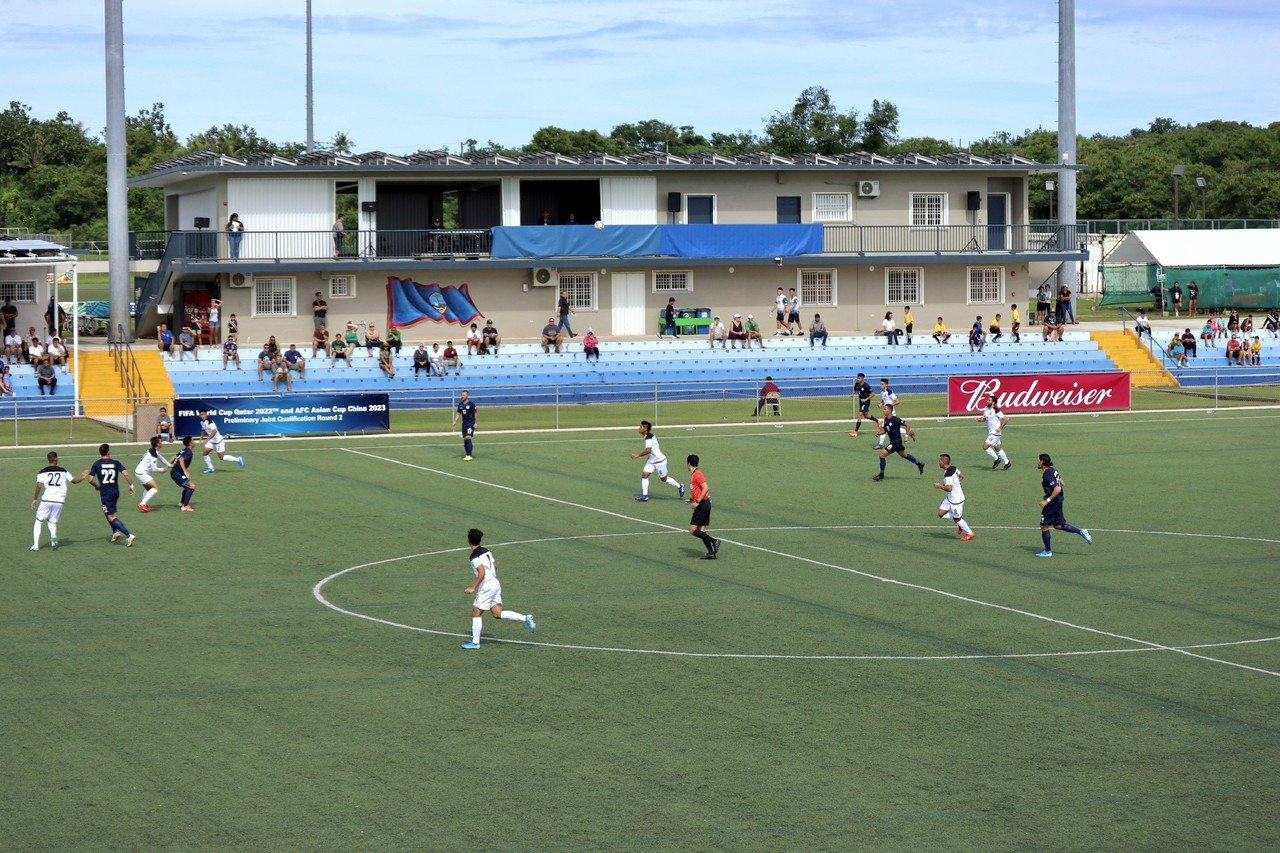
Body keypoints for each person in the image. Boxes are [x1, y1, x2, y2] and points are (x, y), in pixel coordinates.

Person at [459, 528, 536, 650]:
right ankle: (525, 618)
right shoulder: (486, 551)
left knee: (476, 612)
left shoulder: (474, 557)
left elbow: (482, 572)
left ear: (469, 541)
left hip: (487, 586)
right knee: (497, 613)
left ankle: (475, 642)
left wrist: (473, 587)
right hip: (495, 582)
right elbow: (495, 566)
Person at [1036, 453, 1092, 557]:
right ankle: (1081, 531)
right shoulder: (1052, 469)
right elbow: (1062, 483)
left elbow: (1058, 488)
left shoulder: (1047, 474)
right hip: (1058, 501)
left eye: (1038, 460)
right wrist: (1048, 494)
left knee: (1044, 526)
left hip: (1052, 503)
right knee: (1058, 525)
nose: (1037, 462)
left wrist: (1047, 500)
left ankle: (1048, 551)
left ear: (1042, 462)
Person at [30, 451, 86, 551]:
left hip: (46, 499)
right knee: (52, 521)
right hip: (60, 501)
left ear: (49, 460)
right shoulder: (63, 471)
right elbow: (74, 481)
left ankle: (35, 545)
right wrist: (82, 477)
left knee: (38, 521)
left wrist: (35, 499)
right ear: (55, 459)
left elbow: (39, 485)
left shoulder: (42, 472)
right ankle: (53, 536)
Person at [87, 443, 137, 546]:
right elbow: (126, 474)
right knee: (107, 513)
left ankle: (129, 535)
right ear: (108, 452)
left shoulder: (96, 464)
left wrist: (97, 486)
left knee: (110, 516)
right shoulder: (116, 463)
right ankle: (115, 533)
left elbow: (90, 479)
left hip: (106, 493)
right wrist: (131, 485)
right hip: (115, 492)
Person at [630, 420, 684, 501]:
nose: (639, 428)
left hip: (660, 461)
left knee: (664, 479)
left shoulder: (648, 438)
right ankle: (645, 496)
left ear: (645, 429)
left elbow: (648, 450)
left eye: (641, 427)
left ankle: (679, 486)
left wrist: (637, 455)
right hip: (651, 461)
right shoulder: (647, 436)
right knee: (644, 475)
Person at [872, 404, 924, 481]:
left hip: (896, 443)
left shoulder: (895, 419)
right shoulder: (886, 420)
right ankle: (919, 464)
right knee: (905, 455)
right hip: (896, 443)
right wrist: (879, 433)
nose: (883, 410)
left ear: (889, 410)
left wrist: (906, 435)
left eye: (885, 409)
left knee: (882, 455)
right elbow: (884, 430)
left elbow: (907, 424)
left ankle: (881, 475)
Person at [684, 454, 719, 559]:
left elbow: (705, 488)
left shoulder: (697, 474)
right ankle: (711, 552)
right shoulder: (694, 475)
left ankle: (715, 541)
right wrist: (691, 500)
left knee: (692, 529)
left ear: (689, 464)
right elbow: (698, 491)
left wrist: (697, 502)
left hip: (703, 504)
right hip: (704, 504)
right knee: (701, 530)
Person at [933, 453, 975, 541]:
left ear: (944, 462)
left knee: (957, 518)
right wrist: (956, 483)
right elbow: (961, 476)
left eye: (939, 461)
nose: (938, 462)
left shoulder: (948, 473)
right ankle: (960, 524)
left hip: (956, 500)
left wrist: (939, 486)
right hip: (950, 497)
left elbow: (949, 488)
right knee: (941, 513)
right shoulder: (953, 468)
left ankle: (970, 533)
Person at [133, 436, 169, 512]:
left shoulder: (153, 451)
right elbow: (154, 469)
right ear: (157, 444)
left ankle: (144, 504)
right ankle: (142, 504)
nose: (162, 443)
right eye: (160, 442)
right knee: (155, 488)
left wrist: (169, 465)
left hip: (139, 471)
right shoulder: (153, 454)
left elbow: (161, 458)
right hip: (142, 473)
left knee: (148, 489)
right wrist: (162, 469)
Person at [979, 394, 1011, 469]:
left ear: (993, 402)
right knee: (998, 448)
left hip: (995, 433)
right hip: (991, 432)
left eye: (989, 400)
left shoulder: (996, 410)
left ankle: (996, 459)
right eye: (988, 399)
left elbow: (1005, 419)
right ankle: (1007, 463)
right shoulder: (986, 408)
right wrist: (979, 420)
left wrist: (1000, 428)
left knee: (985, 447)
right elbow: (985, 418)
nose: (987, 401)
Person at [170, 435, 198, 511]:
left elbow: (174, 456)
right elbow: (181, 459)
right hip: (177, 473)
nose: (194, 442)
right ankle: (185, 506)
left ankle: (182, 502)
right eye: (193, 440)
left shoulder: (184, 450)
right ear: (190, 443)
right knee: (192, 486)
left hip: (175, 472)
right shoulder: (188, 451)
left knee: (187, 487)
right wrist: (185, 471)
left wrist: (169, 466)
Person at [849, 372, 876, 437]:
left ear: (863, 378)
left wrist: (865, 399)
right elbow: (855, 389)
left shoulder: (866, 386)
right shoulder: (857, 384)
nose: (858, 379)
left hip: (866, 403)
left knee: (859, 414)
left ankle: (856, 431)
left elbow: (873, 394)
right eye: (857, 378)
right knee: (866, 416)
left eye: (859, 378)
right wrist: (853, 394)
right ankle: (877, 421)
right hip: (861, 403)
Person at [875, 378, 899, 449]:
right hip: (887, 414)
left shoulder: (890, 392)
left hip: (891, 414)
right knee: (888, 428)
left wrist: (890, 407)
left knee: (885, 428)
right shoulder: (882, 392)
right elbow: (884, 400)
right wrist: (881, 404)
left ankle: (880, 444)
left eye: (882, 384)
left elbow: (897, 401)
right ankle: (909, 432)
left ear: (886, 385)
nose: (880, 385)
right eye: (880, 384)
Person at [453, 389, 477, 460]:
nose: (462, 396)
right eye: (462, 395)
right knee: (465, 439)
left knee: (468, 437)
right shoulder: (460, 405)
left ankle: (469, 455)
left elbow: (475, 413)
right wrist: (455, 421)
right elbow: (458, 413)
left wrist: (475, 423)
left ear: (467, 396)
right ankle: (467, 454)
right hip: (464, 424)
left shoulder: (471, 404)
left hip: (471, 423)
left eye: (464, 395)